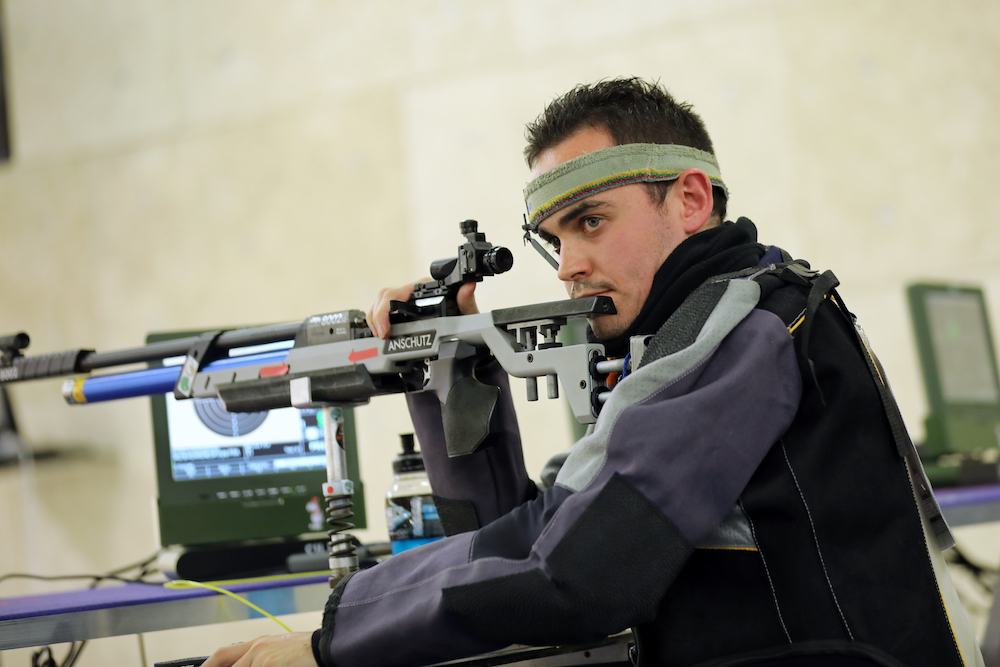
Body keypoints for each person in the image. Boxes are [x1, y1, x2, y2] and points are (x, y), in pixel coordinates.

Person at [203, 79, 982, 667]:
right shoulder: (704, 325)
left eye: (591, 221)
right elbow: (538, 528)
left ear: (690, 198)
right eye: (554, 238)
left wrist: (330, 637)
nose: (570, 264)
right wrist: (446, 371)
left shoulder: (742, 331)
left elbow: (573, 575)